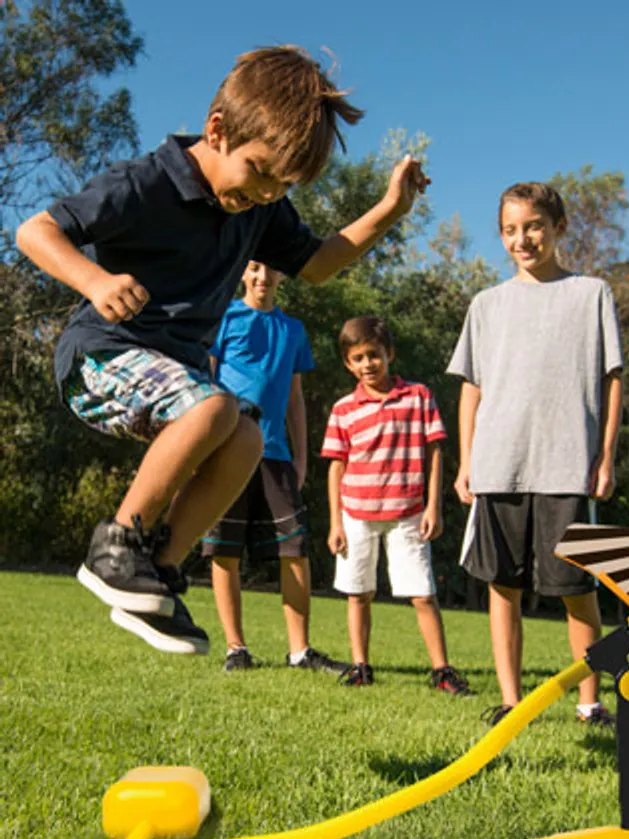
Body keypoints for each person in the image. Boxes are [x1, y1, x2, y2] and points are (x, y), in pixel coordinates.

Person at [15, 46, 428, 655]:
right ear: (218, 131)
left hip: (170, 378)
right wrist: (95, 282)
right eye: (260, 171)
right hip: (97, 358)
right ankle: (115, 547)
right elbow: (36, 231)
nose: (266, 193)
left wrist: (391, 210)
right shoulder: (147, 181)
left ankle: (158, 569)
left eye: (281, 185)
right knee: (212, 409)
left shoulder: (261, 210)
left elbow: (317, 265)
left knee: (246, 437)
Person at [447, 182, 623, 727]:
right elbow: (471, 388)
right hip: (499, 465)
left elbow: (611, 378)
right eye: (509, 230)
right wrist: (465, 462)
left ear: (557, 226)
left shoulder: (592, 293)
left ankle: (590, 703)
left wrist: (606, 457)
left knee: (577, 590)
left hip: (567, 464)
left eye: (532, 226)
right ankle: (509, 700)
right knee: (504, 588)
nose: (522, 239)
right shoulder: (487, 305)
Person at [200, 260, 345, 673]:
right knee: (225, 550)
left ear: (283, 277)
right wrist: (201, 448)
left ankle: (300, 651)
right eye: (255, 268)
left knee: (295, 549)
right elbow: (206, 380)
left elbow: (295, 399)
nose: (264, 276)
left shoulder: (293, 331)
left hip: (276, 454)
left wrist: (301, 456)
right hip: (226, 449)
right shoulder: (224, 317)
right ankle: (235, 648)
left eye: (273, 270)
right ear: (244, 272)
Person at [322, 316, 470, 694]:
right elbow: (337, 467)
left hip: (408, 514)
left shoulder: (418, 397)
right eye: (358, 358)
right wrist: (335, 523)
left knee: (422, 594)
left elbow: (434, 452)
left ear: (389, 354)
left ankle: (441, 671)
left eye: (374, 355)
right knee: (359, 593)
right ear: (348, 363)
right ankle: (360, 666)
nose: (368, 364)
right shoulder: (343, 409)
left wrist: (432, 506)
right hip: (356, 514)